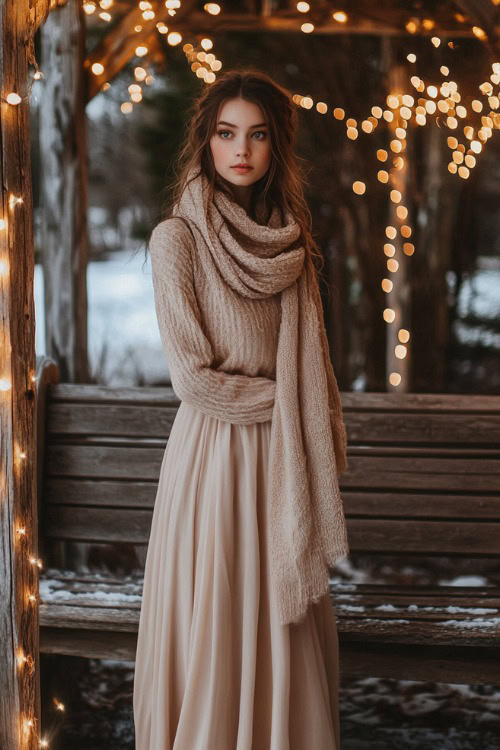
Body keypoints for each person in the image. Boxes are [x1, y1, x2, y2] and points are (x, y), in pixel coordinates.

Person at [133, 68, 350, 750]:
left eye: (257, 135)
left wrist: (291, 415)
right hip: (214, 458)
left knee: (280, 614)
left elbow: (313, 375)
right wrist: (287, 405)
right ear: (206, 141)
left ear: (274, 148)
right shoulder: (178, 241)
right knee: (219, 609)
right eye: (227, 133)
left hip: (281, 460)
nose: (241, 150)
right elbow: (195, 380)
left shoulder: (290, 244)